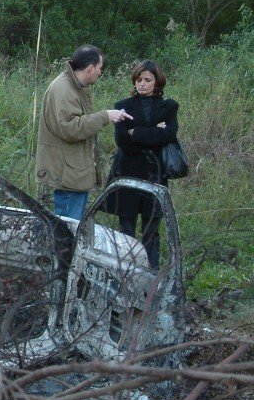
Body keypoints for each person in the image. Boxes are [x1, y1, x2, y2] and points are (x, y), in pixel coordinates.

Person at [35, 45, 133, 220]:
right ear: (90, 68)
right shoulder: (63, 89)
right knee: (66, 230)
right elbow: (71, 128)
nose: (100, 73)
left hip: (73, 174)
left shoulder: (73, 87)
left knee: (72, 228)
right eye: (100, 69)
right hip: (68, 177)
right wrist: (105, 116)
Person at [102, 60, 179, 269]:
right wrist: (155, 130)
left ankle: (151, 272)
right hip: (127, 171)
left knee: (151, 227)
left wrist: (136, 131)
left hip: (155, 173)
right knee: (125, 226)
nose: (142, 84)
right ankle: (123, 269)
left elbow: (169, 135)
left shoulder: (168, 106)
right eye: (139, 79)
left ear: (157, 82)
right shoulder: (122, 106)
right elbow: (122, 141)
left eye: (147, 79)